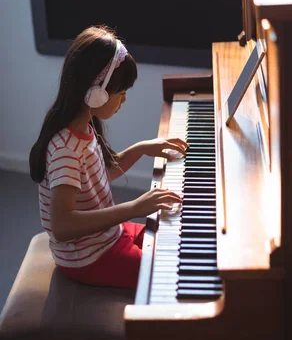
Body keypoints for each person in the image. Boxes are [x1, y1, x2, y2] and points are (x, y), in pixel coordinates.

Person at [29, 25, 186, 289]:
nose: (124, 100)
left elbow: (101, 176)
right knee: (169, 275)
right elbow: (62, 226)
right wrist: (134, 208)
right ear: (96, 92)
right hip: (89, 257)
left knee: (175, 239)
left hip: (109, 236)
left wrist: (141, 148)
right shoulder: (65, 150)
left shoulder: (83, 129)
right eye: (121, 93)